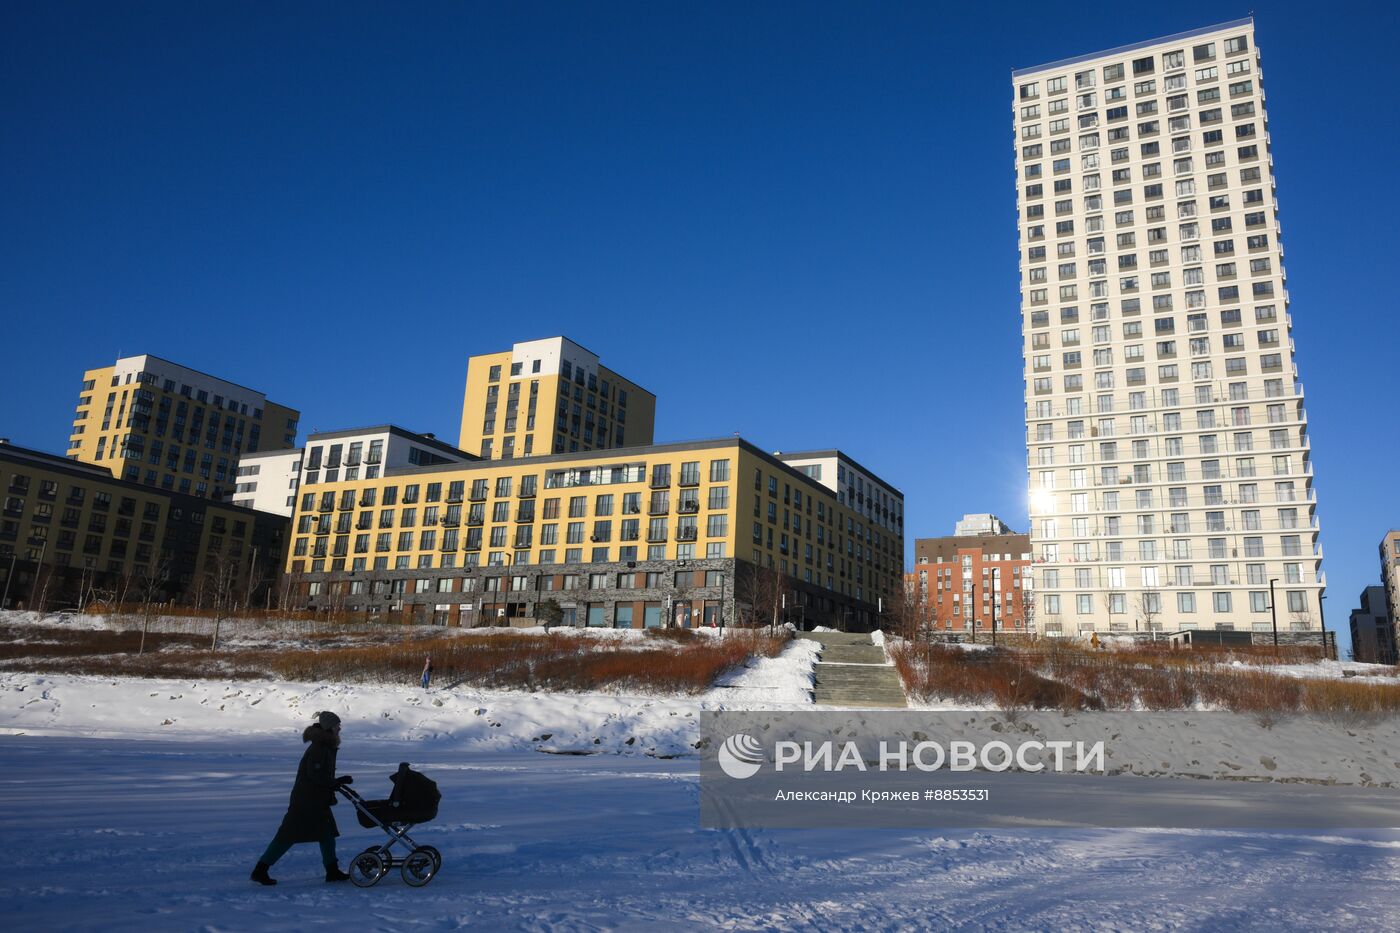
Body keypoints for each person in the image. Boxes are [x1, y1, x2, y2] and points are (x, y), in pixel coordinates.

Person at [251, 711, 353, 885]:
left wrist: (334, 782)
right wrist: (334, 782)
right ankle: (260, 870)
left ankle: (332, 871)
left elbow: (320, 775)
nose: (340, 728)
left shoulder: (325, 745)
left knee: (326, 834)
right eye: (337, 725)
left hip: (317, 799)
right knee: (287, 836)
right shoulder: (319, 747)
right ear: (329, 728)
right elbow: (314, 774)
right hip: (306, 801)